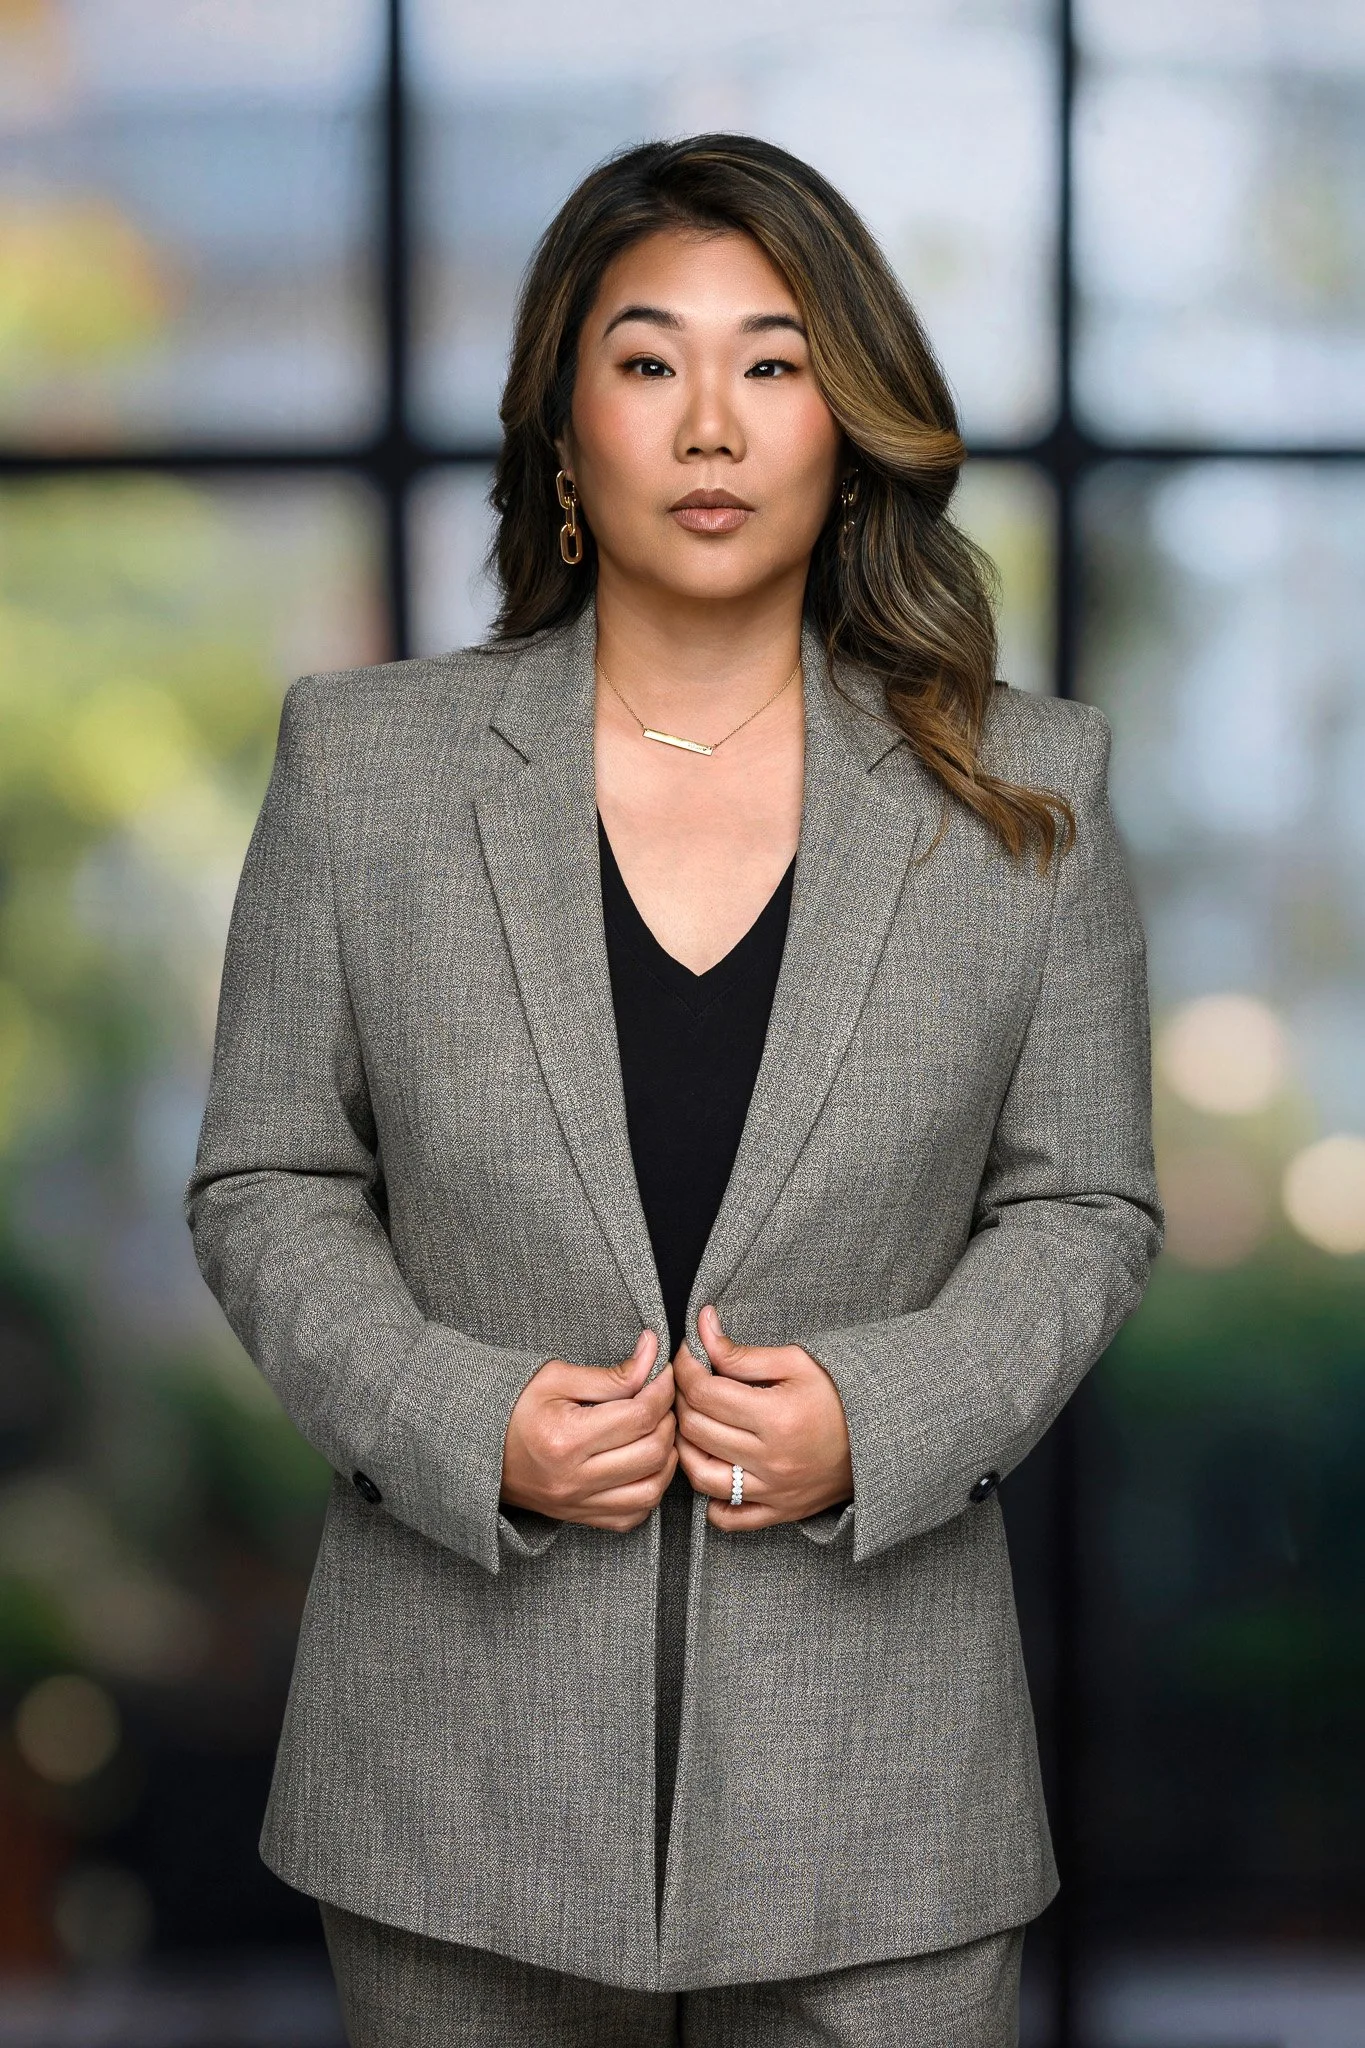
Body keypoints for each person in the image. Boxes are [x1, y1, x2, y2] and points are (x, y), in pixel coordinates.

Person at [185, 133, 1162, 2047]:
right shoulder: (365, 769)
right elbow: (267, 1180)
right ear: (565, 422)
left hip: (881, 1804)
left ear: (847, 419)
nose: (710, 421)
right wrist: (469, 1424)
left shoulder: (1027, 791)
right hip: (451, 1798)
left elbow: (1087, 1206)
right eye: (648, 362)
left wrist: (884, 1414)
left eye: (774, 361)